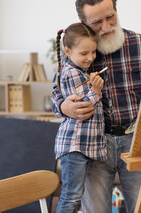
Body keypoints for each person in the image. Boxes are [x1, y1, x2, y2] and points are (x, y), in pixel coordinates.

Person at [52, 0, 141, 212]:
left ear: (116, 10)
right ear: (82, 21)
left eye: (110, 17)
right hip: (92, 145)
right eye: (96, 22)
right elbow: (57, 93)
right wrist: (64, 107)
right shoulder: (77, 51)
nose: (106, 27)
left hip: (136, 140)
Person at [53, 23, 107, 213]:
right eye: (84, 53)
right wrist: (96, 90)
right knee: (71, 196)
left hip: (81, 145)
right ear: (67, 51)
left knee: (75, 195)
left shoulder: (75, 69)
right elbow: (85, 106)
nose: (91, 58)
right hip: (75, 145)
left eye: (93, 52)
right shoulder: (72, 73)